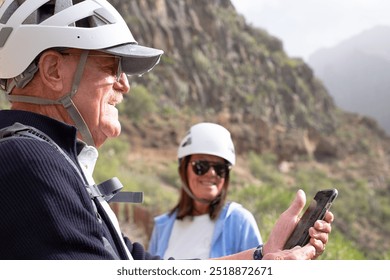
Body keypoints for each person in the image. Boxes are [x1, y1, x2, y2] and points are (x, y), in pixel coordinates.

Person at [0, 0, 334, 260]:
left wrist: (265, 257)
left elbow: (141, 266)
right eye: (110, 65)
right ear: (54, 70)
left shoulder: (48, 158)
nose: (125, 84)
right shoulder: (32, 161)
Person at [149, 122, 262, 259]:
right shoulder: (162, 227)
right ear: (184, 170)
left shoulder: (239, 222)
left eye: (220, 168)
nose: (212, 173)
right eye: (201, 166)